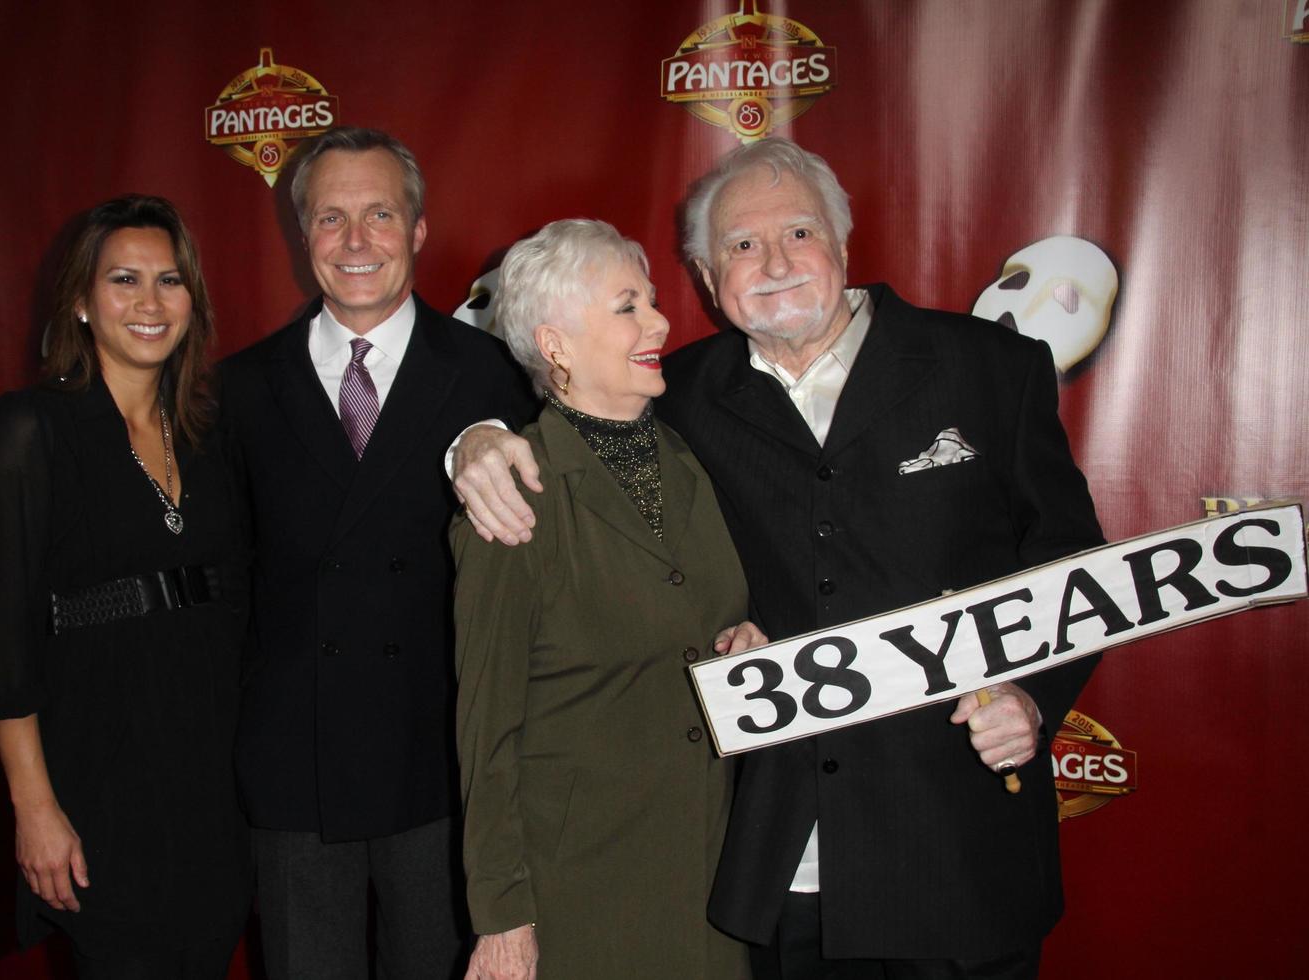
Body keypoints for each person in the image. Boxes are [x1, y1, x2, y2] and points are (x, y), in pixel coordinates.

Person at [452, 139, 1104, 979]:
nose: (774, 264)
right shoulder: (677, 391)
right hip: (774, 867)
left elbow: (1072, 561)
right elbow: (556, 397)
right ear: (706, 274)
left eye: (798, 233)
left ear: (842, 239)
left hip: (957, 849)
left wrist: (1032, 693)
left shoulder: (988, 368)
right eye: (741, 246)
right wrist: (474, 443)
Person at [219, 127, 537, 979]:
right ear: (303, 235)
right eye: (331, 218)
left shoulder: (499, 376)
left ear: (420, 230)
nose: (355, 242)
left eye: (379, 215)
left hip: (442, 768)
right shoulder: (239, 390)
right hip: (293, 770)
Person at [454, 219, 760, 980]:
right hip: (578, 894)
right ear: (555, 344)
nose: (661, 321)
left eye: (652, 300)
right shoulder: (515, 494)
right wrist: (503, 919)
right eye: (629, 305)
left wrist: (751, 644)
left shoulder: (687, 459)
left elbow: (700, 619)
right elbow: (484, 735)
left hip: (709, 876)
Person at [0, 195, 251, 979]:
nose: (150, 303)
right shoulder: (30, 431)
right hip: (99, 774)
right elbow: (1, 641)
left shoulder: (210, 432)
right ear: (82, 303)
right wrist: (34, 807)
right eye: (124, 279)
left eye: (170, 280)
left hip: (210, 775)